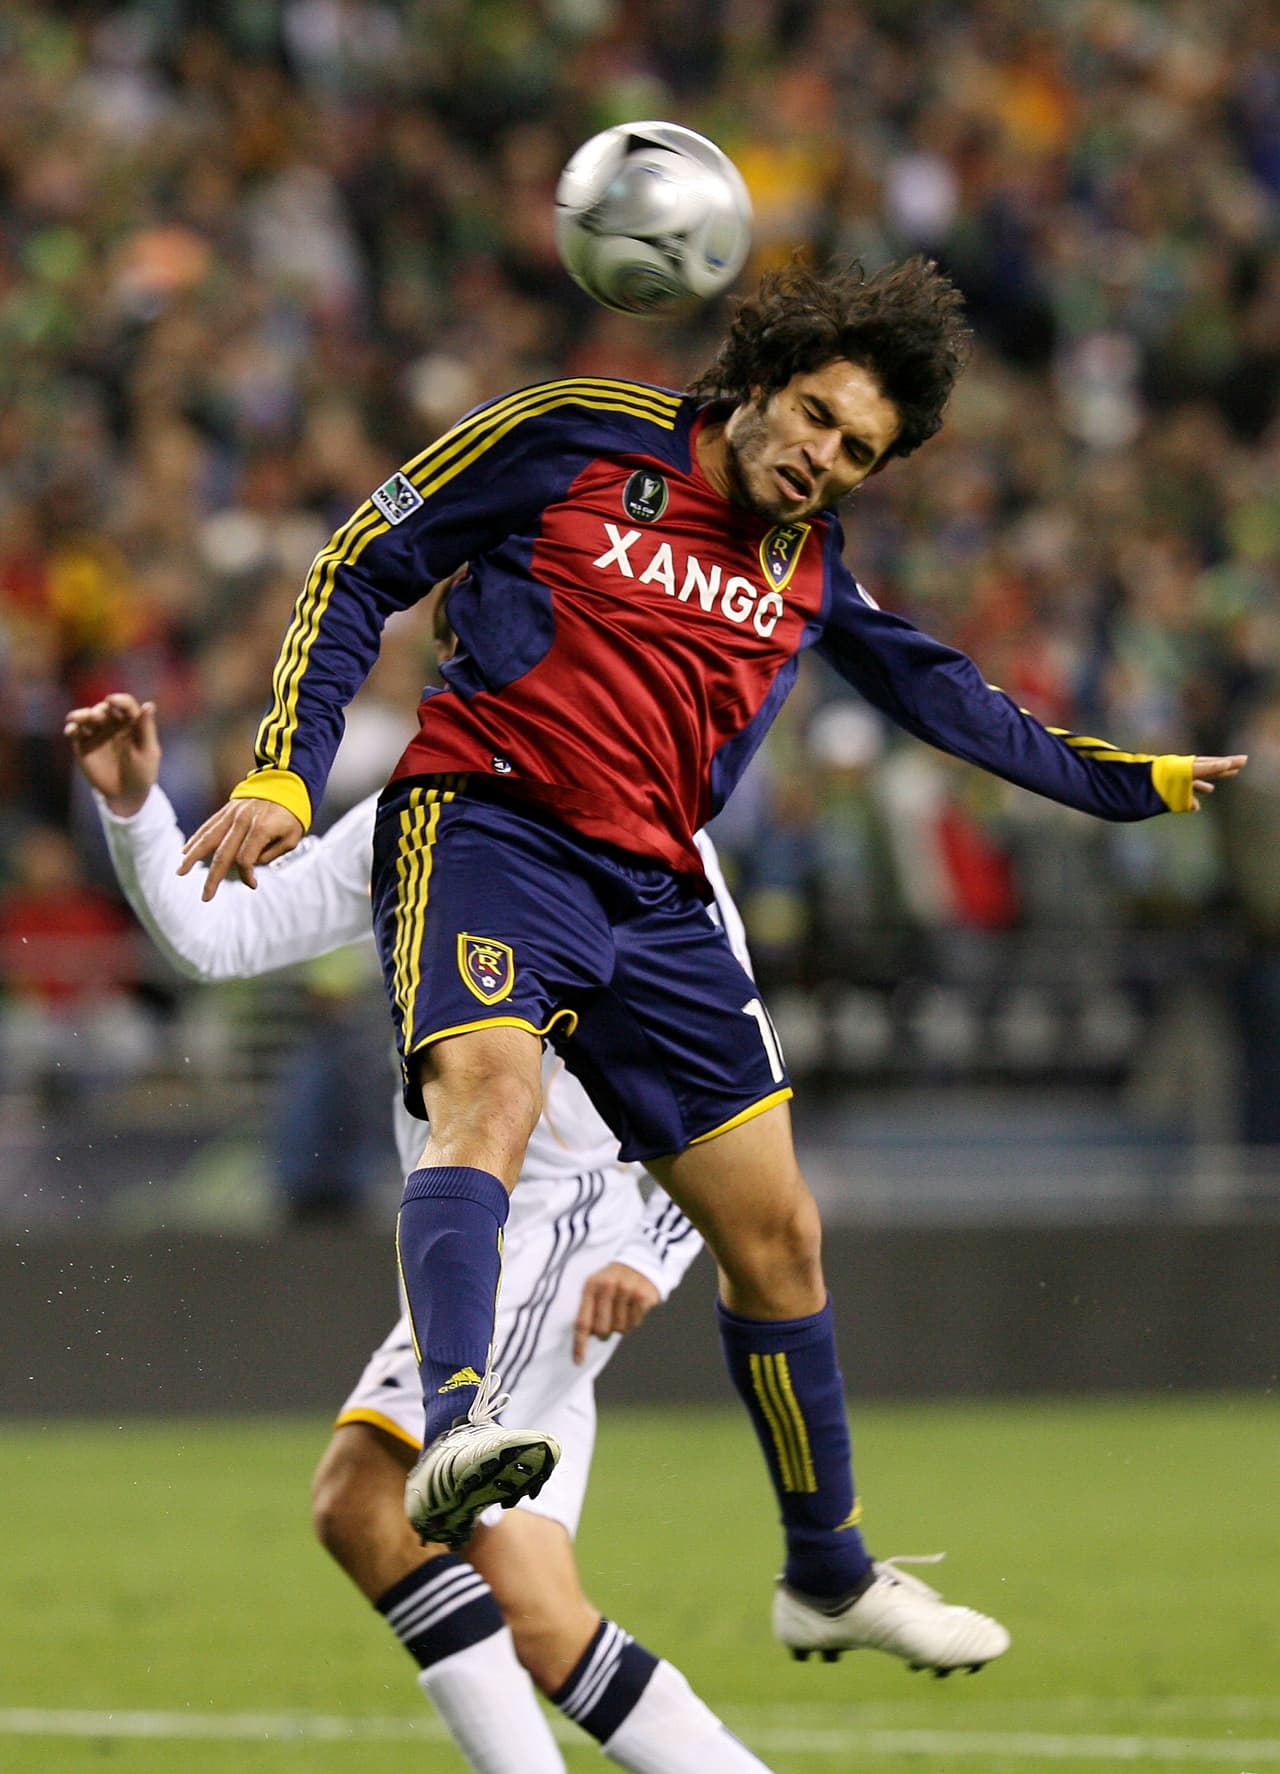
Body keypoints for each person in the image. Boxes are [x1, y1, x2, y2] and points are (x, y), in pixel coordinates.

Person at [179, 257, 1244, 1668]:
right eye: (814, 416)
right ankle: (457, 1427)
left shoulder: (808, 569)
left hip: (656, 889)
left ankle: (828, 1571)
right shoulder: (572, 433)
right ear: (761, 376)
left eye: (858, 450)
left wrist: (1136, 782)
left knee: (780, 1233)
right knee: (486, 1096)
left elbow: (947, 697)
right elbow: (358, 565)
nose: (822, 458)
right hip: (488, 820)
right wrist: (289, 775)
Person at [65, 685, 778, 1774]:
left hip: (556, 1225)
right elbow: (219, 936)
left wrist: (655, 1244)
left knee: (361, 1500)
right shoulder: (409, 815)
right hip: (484, 1247)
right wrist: (135, 813)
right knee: (539, 1616)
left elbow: (735, 1075)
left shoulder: (648, 826)